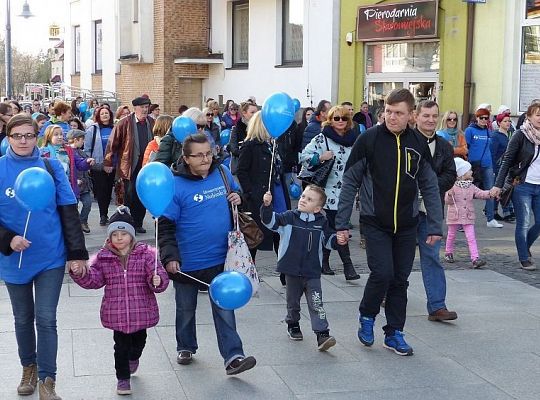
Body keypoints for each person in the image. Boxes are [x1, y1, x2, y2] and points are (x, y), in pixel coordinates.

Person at [335, 88, 443, 356]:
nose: (391, 117)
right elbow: (350, 182)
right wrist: (342, 223)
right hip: (375, 222)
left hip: (407, 223)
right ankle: (367, 316)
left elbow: (429, 184)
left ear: (411, 116)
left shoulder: (417, 143)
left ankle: (394, 332)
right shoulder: (368, 139)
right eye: (388, 112)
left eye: (398, 113)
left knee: (400, 280)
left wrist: (435, 225)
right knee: (382, 273)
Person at [0, 114, 88, 399]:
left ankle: (48, 379)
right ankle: (29, 367)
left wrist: (77, 253)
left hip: (50, 255)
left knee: (46, 318)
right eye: (17, 136)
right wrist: (8, 239)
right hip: (13, 259)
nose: (23, 141)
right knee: (22, 318)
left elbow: (68, 209)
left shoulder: (51, 166)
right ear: (9, 137)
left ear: (37, 136)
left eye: (29, 135)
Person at [158, 133, 256, 375]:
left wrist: (238, 198)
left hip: (222, 259)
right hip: (187, 263)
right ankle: (186, 346)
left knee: (224, 309)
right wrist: (170, 257)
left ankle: (233, 356)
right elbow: (166, 225)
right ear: (186, 158)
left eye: (208, 153)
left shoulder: (222, 172)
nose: (205, 158)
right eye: (199, 155)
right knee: (185, 308)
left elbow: (241, 198)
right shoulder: (175, 185)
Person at [70, 206, 169, 395]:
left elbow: (158, 275)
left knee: (139, 341)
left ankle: (135, 357)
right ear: (110, 237)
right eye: (115, 234)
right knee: (120, 347)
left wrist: (157, 280)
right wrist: (79, 273)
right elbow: (94, 279)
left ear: (132, 236)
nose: (119, 238)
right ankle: (123, 379)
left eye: (123, 233)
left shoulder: (146, 255)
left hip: (141, 310)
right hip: (118, 314)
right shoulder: (103, 257)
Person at [261, 185, 338, 350]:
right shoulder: (289, 217)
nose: (303, 200)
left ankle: (322, 333)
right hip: (292, 269)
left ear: (318, 208)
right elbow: (270, 222)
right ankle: (293, 324)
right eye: (303, 196)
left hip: (312, 271)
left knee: (316, 302)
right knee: (293, 301)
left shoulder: (322, 222)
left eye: (309, 199)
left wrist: (339, 240)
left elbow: (329, 241)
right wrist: (266, 206)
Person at [300, 105, 360, 280]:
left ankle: (324, 262)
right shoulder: (322, 139)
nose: (340, 121)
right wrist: (320, 157)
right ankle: (348, 266)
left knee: (332, 227)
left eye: (344, 118)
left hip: (347, 191)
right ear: (330, 120)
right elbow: (303, 156)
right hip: (327, 191)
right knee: (337, 227)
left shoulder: (354, 140)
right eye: (336, 118)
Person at [414, 100, 458, 321]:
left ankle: (437, 306)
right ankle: (387, 294)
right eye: (426, 116)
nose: (430, 120)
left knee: (431, 257)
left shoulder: (444, 146)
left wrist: (430, 186)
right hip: (405, 209)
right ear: (416, 116)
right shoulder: (405, 141)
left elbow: (451, 175)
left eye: (434, 116)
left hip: (432, 211)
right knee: (397, 258)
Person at [492, 102, 540, 271]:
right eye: (538, 115)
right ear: (529, 117)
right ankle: (523, 257)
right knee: (524, 222)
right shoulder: (521, 135)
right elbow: (507, 161)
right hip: (522, 185)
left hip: (539, 186)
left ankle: (524, 246)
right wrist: (498, 185)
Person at [237, 111, 291, 261]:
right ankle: (250, 273)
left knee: (281, 233)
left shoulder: (273, 144)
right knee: (255, 237)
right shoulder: (250, 145)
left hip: (278, 193)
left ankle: (285, 274)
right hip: (260, 197)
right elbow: (241, 171)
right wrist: (251, 193)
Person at [104, 96, 155, 234]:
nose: (145, 110)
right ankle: (129, 221)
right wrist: (108, 161)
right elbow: (112, 143)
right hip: (130, 165)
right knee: (130, 194)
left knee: (142, 194)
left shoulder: (152, 122)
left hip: (147, 165)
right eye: (142, 107)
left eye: (147, 107)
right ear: (135, 108)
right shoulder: (124, 123)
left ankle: (138, 222)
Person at [445, 158, 492, 268]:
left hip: (468, 216)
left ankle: (475, 258)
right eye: (469, 170)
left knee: (471, 237)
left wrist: (490, 193)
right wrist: (449, 195)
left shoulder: (471, 186)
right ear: (461, 174)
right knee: (451, 235)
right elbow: (448, 202)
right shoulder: (452, 186)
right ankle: (448, 252)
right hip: (454, 215)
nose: (471, 172)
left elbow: (480, 193)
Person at [465, 107, 502, 228]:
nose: (484, 120)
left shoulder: (488, 131)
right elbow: (466, 147)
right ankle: (463, 219)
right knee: (466, 193)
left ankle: (490, 219)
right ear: (476, 118)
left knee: (491, 191)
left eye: (486, 118)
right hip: (473, 165)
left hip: (487, 165)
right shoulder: (469, 130)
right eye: (481, 118)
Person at [40, 125, 94, 204]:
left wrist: (87, 162)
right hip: (50, 188)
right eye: (56, 134)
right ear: (48, 136)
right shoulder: (42, 152)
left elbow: (78, 163)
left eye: (61, 134)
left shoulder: (69, 150)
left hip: (67, 187)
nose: (60, 137)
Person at [85, 106, 116, 226]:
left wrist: (113, 164)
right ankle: (103, 215)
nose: (104, 115)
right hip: (98, 165)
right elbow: (87, 148)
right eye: (102, 113)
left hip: (113, 165)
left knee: (109, 191)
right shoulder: (92, 129)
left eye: (106, 113)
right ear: (98, 116)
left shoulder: (115, 128)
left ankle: (107, 212)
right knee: (101, 191)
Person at [67, 129, 94, 234]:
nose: (83, 142)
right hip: (74, 185)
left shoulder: (81, 152)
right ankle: (76, 224)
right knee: (74, 206)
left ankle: (83, 221)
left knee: (87, 203)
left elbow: (84, 165)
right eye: (82, 139)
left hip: (84, 184)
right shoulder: (67, 152)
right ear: (75, 140)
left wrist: (89, 162)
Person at [490, 112, 515, 222]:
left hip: (508, 166)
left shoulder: (510, 135)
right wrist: (493, 169)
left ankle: (492, 211)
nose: (508, 123)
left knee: (503, 190)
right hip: (499, 167)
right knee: (502, 190)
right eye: (505, 121)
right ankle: (506, 212)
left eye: (509, 121)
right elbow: (492, 154)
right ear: (499, 123)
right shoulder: (495, 136)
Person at [228, 101, 258, 174]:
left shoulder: (258, 128)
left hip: (255, 168)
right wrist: (247, 153)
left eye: (256, 113)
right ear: (244, 113)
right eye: (252, 112)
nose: (255, 115)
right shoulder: (236, 128)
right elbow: (233, 148)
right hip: (240, 167)